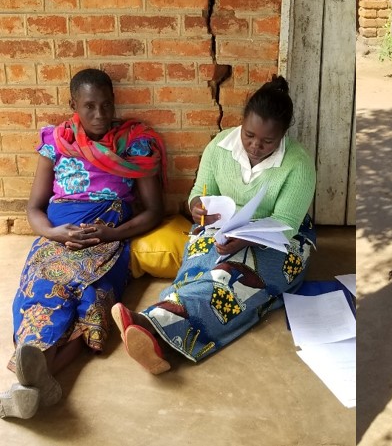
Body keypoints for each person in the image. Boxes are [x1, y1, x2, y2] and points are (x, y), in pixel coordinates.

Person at [111, 76, 316, 374]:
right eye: (249, 135)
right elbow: (199, 196)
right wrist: (198, 210)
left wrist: (244, 241)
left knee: (235, 277)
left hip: (282, 242)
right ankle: (157, 341)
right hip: (220, 228)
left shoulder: (298, 164)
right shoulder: (219, 146)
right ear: (241, 124)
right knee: (201, 267)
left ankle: (149, 323)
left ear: (284, 135)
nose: (255, 146)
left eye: (267, 141)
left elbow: (285, 223)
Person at [0, 69, 165, 419]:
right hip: (59, 235)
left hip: (107, 239)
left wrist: (111, 234)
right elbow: (33, 208)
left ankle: (29, 385)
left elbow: (153, 211)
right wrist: (55, 234)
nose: (99, 115)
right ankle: (38, 379)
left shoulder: (135, 143)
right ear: (73, 104)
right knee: (44, 289)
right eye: (89, 106)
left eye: (106, 105)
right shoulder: (56, 143)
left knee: (92, 299)